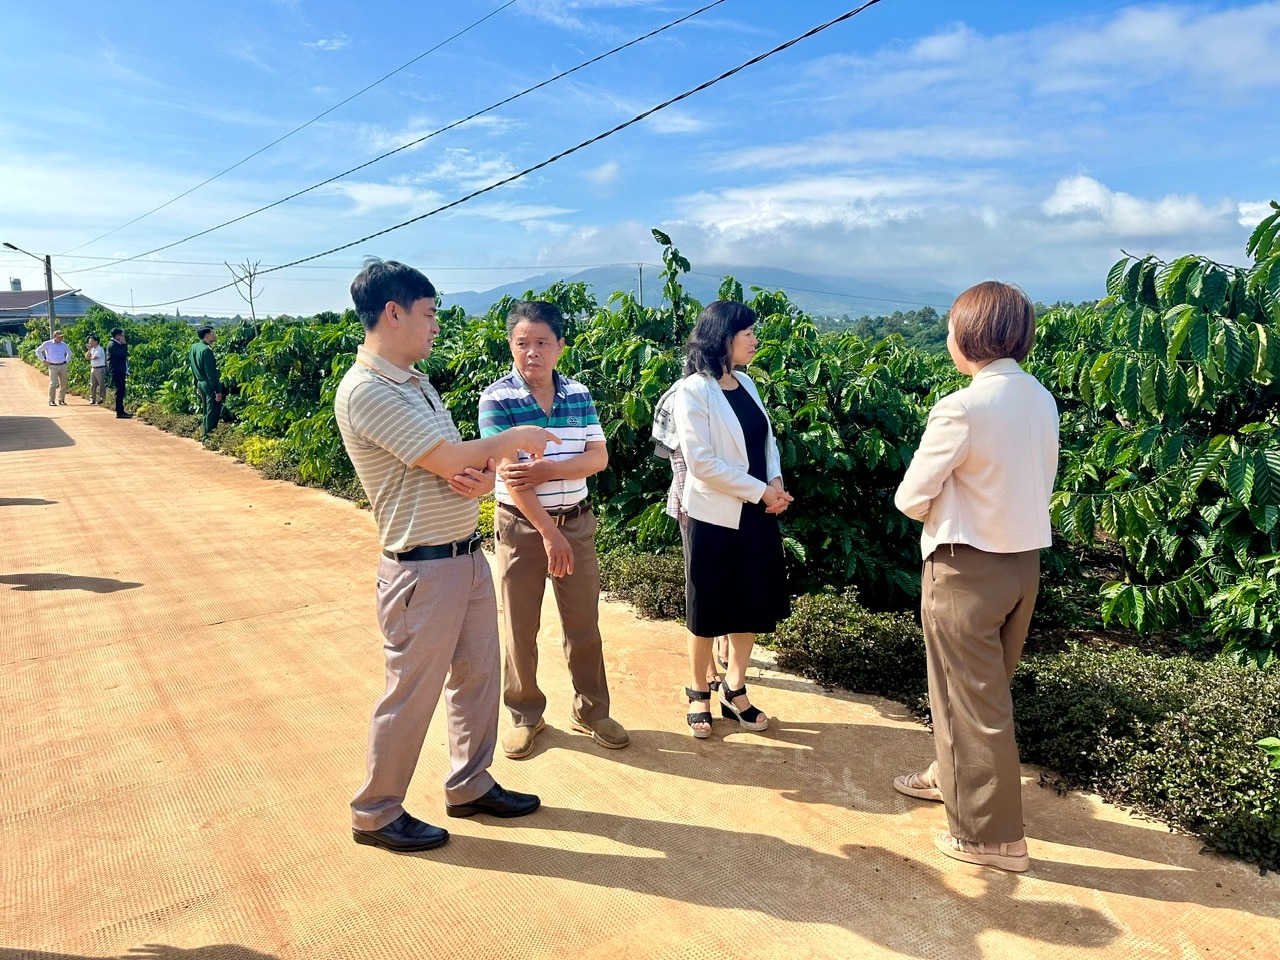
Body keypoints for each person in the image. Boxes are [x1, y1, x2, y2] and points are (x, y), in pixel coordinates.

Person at [335, 259, 560, 854]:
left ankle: (470, 782)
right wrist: (511, 441)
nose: (436, 326)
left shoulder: (416, 383)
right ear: (393, 313)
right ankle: (376, 811)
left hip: (463, 556)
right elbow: (446, 458)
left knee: (478, 677)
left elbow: (464, 463)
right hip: (420, 567)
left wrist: (484, 476)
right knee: (411, 691)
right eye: (429, 314)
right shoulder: (366, 390)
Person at [891, 281, 1059, 874]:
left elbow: (910, 497)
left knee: (971, 703)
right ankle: (949, 777)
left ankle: (992, 840)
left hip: (966, 567)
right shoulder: (1040, 398)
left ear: (968, 336)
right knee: (982, 695)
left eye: (950, 329)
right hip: (1023, 565)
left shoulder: (961, 406)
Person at [478, 300, 629, 760]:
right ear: (511, 347)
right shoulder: (497, 399)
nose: (532, 353)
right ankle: (525, 715)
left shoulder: (579, 395)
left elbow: (598, 458)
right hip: (523, 529)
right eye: (522, 343)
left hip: (577, 524)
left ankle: (591, 710)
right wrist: (548, 532)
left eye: (542, 343)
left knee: (584, 624)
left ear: (561, 346)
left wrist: (544, 471)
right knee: (520, 627)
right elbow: (510, 476)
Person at [673, 301, 793, 739]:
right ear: (724, 336)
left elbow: (766, 440)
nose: (755, 341)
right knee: (707, 609)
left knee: (750, 603)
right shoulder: (694, 391)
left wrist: (774, 480)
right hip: (715, 516)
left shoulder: (746, 383)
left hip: (757, 512)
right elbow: (701, 463)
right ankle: (698, 691)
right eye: (748, 333)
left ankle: (735, 687)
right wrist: (761, 491)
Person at [652, 383, 729, 687]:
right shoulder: (683, 394)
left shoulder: (736, 387)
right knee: (701, 583)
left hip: (736, 499)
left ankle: (723, 634)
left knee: (727, 576)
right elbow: (679, 459)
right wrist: (688, 504)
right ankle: (706, 665)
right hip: (697, 504)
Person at [187, 326, 224, 441]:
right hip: (208, 384)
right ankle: (208, 437)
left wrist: (195, 384)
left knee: (205, 410)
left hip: (200, 382)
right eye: (213, 333)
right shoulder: (206, 350)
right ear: (207, 335)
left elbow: (192, 367)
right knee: (212, 411)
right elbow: (211, 373)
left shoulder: (194, 347)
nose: (215, 335)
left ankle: (204, 434)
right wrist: (217, 391)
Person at [35, 329, 72, 406]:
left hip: (62, 365)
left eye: (61, 337)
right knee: (53, 383)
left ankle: (61, 400)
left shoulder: (63, 344)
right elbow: (38, 351)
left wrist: (66, 361)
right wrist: (43, 360)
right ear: (54, 336)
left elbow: (69, 353)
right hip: (53, 366)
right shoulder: (48, 343)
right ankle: (51, 400)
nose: (61, 338)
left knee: (64, 383)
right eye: (59, 337)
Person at [107, 328, 130, 419]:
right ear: (117, 336)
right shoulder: (113, 345)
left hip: (119, 370)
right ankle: (119, 412)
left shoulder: (115, 344)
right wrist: (124, 344)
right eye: (122, 335)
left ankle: (121, 410)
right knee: (119, 391)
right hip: (117, 371)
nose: (123, 337)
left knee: (121, 391)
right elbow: (122, 354)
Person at [85, 335, 107, 404]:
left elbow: (94, 357)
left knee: (101, 384)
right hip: (93, 368)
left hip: (100, 368)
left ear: (96, 341)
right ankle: (92, 398)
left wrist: (90, 357)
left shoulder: (100, 349)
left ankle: (102, 398)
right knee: (93, 384)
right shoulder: (92, 349)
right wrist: (89, 350)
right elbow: (87, 357)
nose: (89, 342)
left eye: (91, 341)